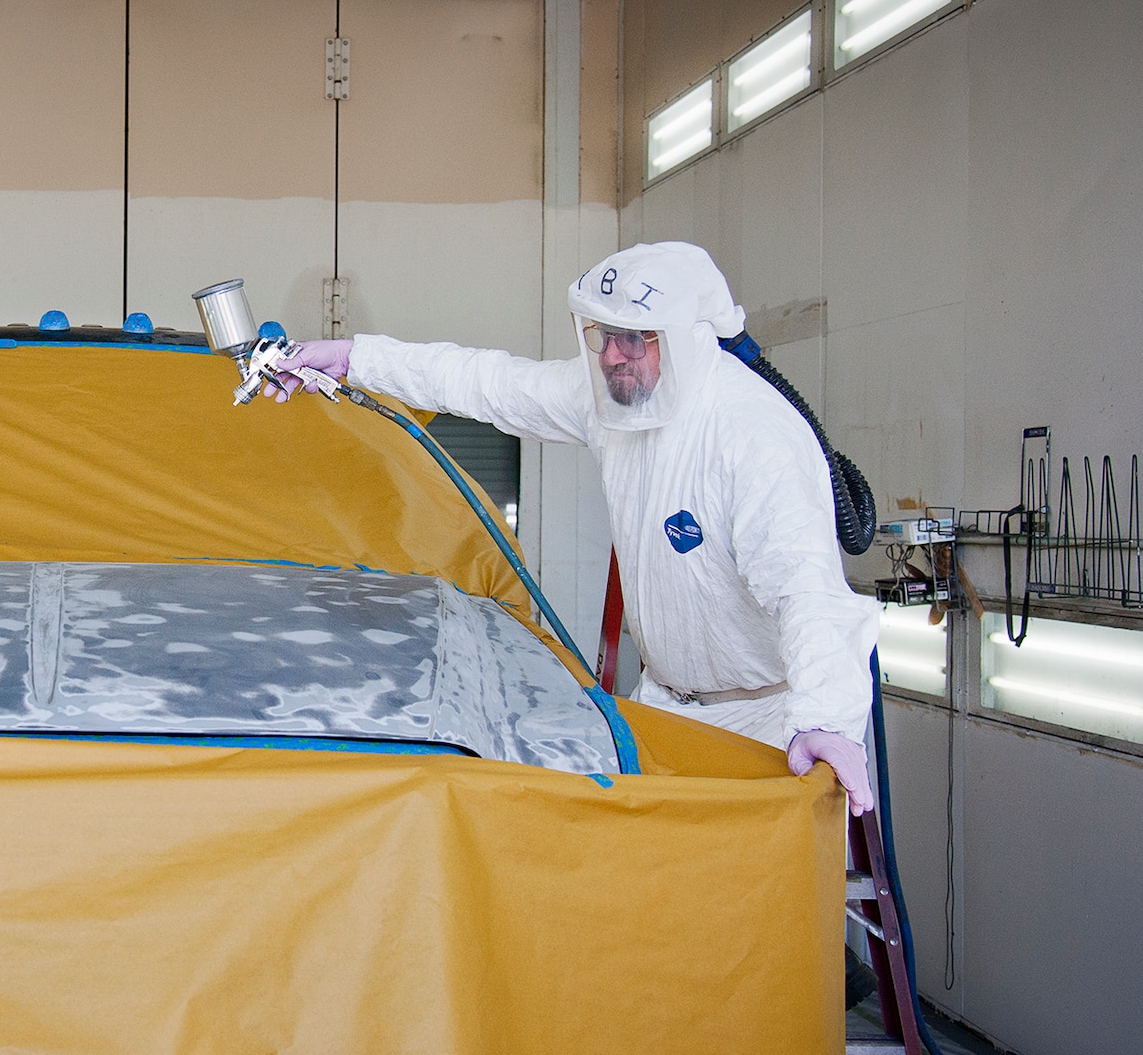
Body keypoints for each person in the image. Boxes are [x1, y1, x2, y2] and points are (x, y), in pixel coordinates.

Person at [271, 241, 880, 816]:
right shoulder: (616, 401)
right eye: (602, 335)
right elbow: (488, 383)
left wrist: (825, 719)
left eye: (635, 338)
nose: (613, 355)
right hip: (666, 707)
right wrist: (354, 359)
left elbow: (807, 589)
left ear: (690, 340)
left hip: (769, 725)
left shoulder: (752, 435)